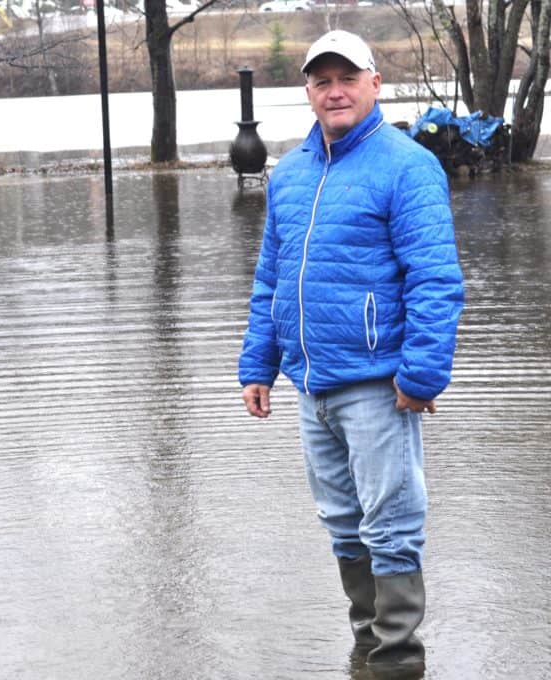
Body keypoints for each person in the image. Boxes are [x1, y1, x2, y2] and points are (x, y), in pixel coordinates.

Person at [237, 30, 464, 676]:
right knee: (342, 524)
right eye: (321, 80)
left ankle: (396, 662)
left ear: (374, 84)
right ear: (308, 92)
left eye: (346, 78)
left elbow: (435, 279)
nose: (334, 91)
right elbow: (271, 277)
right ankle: (366, 650)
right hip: (313, 384)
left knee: (391, 525)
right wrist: (259, 365)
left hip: (379, 385)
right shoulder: (292, 173)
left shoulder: (406, 166)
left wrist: (420, 376)